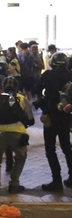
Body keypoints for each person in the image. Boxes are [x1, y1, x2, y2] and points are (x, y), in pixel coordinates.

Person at [0, 77, 33, 195]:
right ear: (17, 87)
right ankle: (14, 184)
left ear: (2, 86)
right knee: (20, 158)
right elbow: (31, 119)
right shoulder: (21, 98)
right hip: (18, 134)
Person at [33, 51, 72, 191]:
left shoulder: (48, 75)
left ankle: (56, 180)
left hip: (50, 116)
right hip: (66, 116)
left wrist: (45, 98)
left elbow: (36, 88)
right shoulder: (70, 75)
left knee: (50, 149)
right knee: (67, 147)